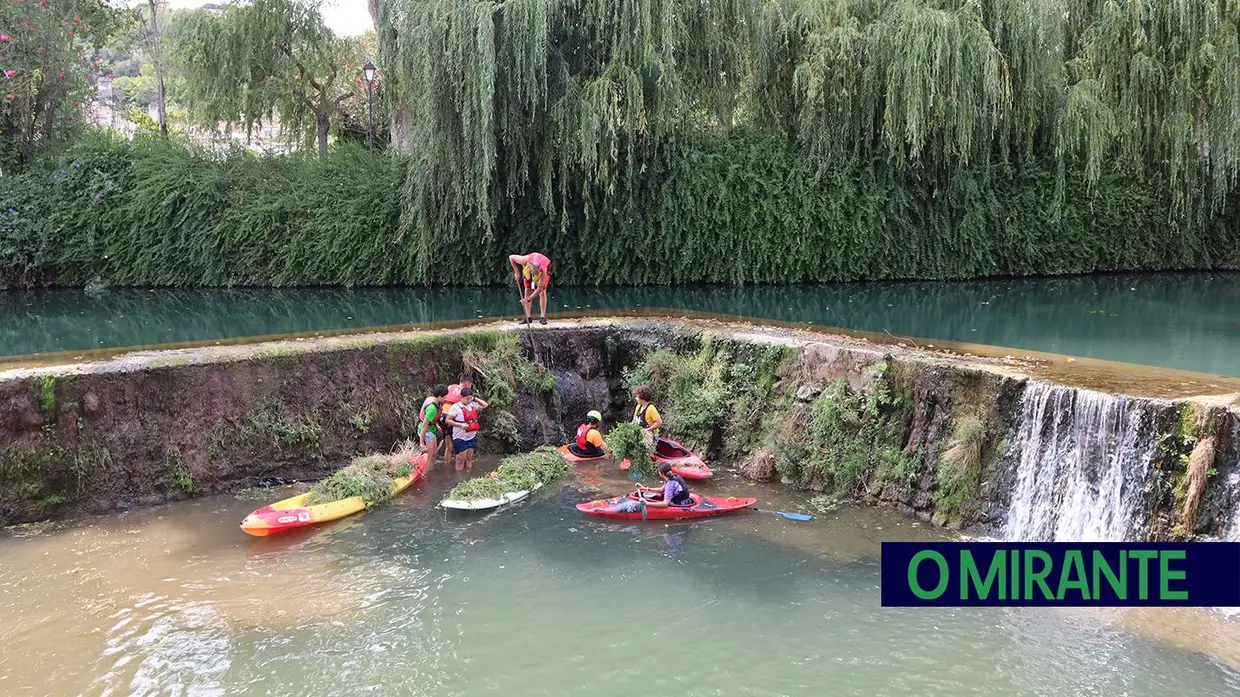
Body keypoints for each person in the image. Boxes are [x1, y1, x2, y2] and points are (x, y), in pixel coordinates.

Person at [445, 387, 488, 472]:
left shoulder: (473, 405)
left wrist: (474, 398)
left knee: (469, 459)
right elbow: (447, 420)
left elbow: (485, 405)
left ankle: (468, 477)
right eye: (467, 398)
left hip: (472, 437)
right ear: (461, 397)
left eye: (470, 398)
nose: (469, 400)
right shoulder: (455, 407)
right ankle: (459, 480)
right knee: (460, 461)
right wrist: (460, 425)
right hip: (460, 438)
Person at [509, 252, 552, 325]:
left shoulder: (543, 271)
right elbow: (511, 257)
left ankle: (542, 317)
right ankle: (528, 318)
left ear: (539, 269)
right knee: (528, 290)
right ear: (530, 267)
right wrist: (517, 273)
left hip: (541, 275)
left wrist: (528, 299)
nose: (534, 275)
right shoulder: (524, 260)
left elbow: (539, 289)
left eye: (536, 272)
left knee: (542, 292)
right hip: (528, 271)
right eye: (533, 272)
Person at [441, 372, 475, 462]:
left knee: (448, 446)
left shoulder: (450, 387)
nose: (471, 386)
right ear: (467, 383)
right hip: (451, 417)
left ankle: (447, 467)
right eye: (471, 384)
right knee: (459, 442)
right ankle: (459, 464)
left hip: (442, 416)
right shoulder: (464, 393)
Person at [419, 385, 448, 470]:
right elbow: (424, 425)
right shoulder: (432, 408)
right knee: (430, 457)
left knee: (434, 454)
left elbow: (430, 419)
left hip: (431, 429)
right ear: (439, 396)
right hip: (427, 431)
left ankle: (430, 472)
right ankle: (426, 475)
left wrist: (436, 424)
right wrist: (421, 443)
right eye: (445, 396)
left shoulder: (433, 400)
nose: (446, 398)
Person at [631, 385, 666, 450]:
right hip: (639, 435)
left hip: (650, 437)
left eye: (637, 397)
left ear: (642, 397)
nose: (635, 398)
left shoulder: (651, 408)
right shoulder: (638, 407)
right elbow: (634, 421)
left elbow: (659, 422)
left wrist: (648, 430)